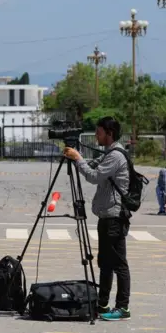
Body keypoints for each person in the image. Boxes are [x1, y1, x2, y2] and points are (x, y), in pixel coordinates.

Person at [62, 116, 131, 321]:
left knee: (119, 264)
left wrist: (78, 159)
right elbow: (92, 166)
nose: (96, 136)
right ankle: (102, 303)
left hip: (114, 217)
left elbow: (93, 176)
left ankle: (123, 307)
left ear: (109, 133)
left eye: (99, 132)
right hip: (106, 216)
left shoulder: (116, 156)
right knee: (105, 263)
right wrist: (77, 158)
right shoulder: (110, 153)